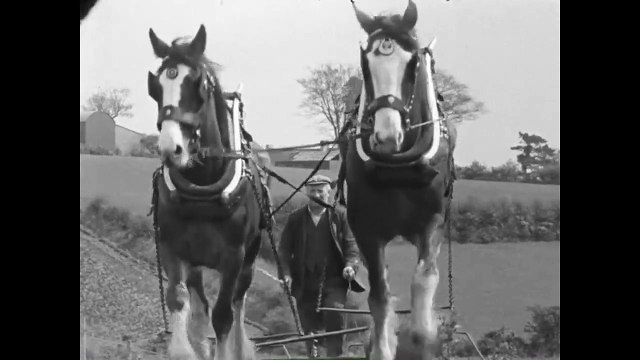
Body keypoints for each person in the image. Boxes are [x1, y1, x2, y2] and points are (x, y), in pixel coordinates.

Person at [278, 174, 366, 357]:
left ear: (328, 194)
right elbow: (284, 251)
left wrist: (350, 266)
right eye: (312, 191)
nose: (316, 195)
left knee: (335, 313)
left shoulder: (340, 215)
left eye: (320, 191)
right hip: (304, 281)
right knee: (308, 327)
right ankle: (313, 355)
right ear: (306, 193)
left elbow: (351, 246)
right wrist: (286, 274)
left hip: (334, 280)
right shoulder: (295, 219)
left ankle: (335, 356)